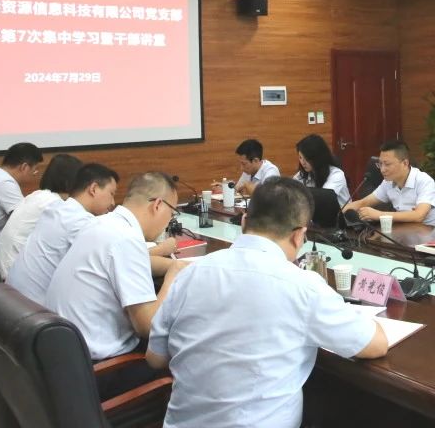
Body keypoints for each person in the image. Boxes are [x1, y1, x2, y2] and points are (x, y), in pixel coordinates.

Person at [146, 177, 388, 428]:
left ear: (243, 222)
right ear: (299, 235)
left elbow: (156, 358)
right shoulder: (303, 286)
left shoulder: (190, 274)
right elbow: (375, 344)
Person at [45, 171, 186, 384]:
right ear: (157, 205)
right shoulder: (126, 239)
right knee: (182, 360)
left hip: (65, 358)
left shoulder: (103, 224)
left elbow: (138, 262)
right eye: (172, 213)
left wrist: (177, 266)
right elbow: (148, 326)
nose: (169, 222)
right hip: (99, 370)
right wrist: (172, 277)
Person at [8, 162, 120, 305]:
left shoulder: (56, 208)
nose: (113, 202)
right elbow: (115, 257)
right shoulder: (81, 222)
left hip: (12, 298)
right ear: (93, 189)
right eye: (111, 194)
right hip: (34, 308)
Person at [0, 153, 82, 277]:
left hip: (0, 270)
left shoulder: (38, 196)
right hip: (11, 273)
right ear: (70, 181)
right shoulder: (53, 204)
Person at [343, 140, 435, 227]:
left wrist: (379, 215)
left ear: (405, 163)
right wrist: (339, 212)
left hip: (430, 236)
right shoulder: (388, 182)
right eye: (380, 164)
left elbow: (419, 216)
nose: (382, 170)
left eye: (387, 164)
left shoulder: (424, 181)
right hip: (404, 232)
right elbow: (363, 203)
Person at [293, 134, 350, 207]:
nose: (303, 162)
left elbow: (323, 200)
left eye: (307, 158)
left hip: (341, 213)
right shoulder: (301, 175)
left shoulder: (336, 175)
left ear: (318, 158)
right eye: (300, 157)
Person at [214, 138, 280, 198]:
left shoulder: (271, 171)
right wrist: (225, 188)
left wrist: (247, 185)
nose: (241, 168)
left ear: (256, 160)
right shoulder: (248, 171)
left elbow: (267, 196)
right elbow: (237, 189)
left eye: (244, 164)